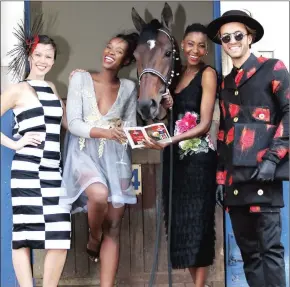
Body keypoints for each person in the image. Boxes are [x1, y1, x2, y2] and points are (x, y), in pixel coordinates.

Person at [207, 10, 289, 287]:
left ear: (250, 37)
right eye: (226, 37)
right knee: (250, 254)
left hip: (264, 176)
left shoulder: (273, 68)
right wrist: (220, 179)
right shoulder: (225, 84)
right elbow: (223, 133)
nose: (232, 41)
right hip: (234, 183)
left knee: (270, 251)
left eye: (238, 35)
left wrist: (272, 159)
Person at [60, 32, 139, 287]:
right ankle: (93, 238)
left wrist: (146, 138)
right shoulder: (80, 78)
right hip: (82, 154)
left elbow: (129, 129)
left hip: (116, 160)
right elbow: (73, 124)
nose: (110, 52)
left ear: (126, 60)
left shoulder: (128, 88)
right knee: (98, 194)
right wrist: (105, 131)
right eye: (109, 46)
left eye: (117, 51)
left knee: (114, 226)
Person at [144, 23, 218, 287]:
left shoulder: (208, 74)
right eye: (190, 44)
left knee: (199, 226)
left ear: (207, 49)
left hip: (198, 161)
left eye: (201, 45)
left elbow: (205, 123)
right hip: (174, 160)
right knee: (181, 227)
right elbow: (168, 117)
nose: (195, 50)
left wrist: (171, 140)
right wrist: (167, 107)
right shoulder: (175, 76)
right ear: (181, 45)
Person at [1, 20, 71, 287]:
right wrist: (15, 144)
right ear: (30, 56)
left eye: (48, 56)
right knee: (24, 234)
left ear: (54, 61)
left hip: (54, 171)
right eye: (38, 54)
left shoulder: (53, 89)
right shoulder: (17, 89)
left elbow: (68, 124)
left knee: (59, 234)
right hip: (27, 171)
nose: (43, 60)